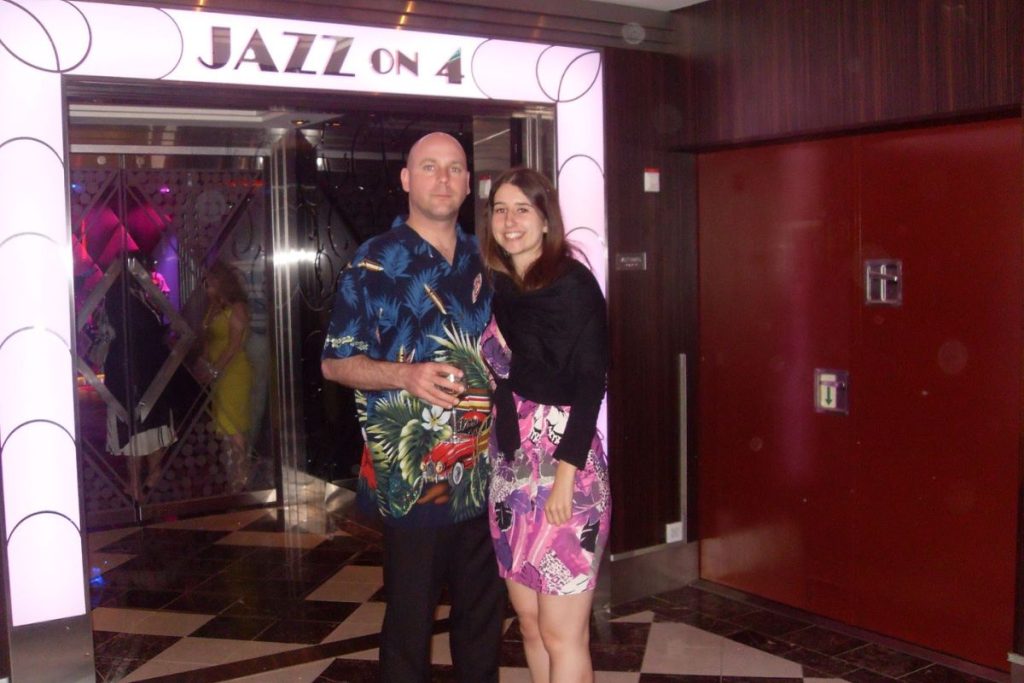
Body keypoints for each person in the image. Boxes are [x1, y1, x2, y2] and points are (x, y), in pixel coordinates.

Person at [321, 132, 505, 682]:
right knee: (409, 625)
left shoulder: (486, 256)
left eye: (454, 168)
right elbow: (335, 363)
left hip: (486, 473)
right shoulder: (375, 261)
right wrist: (407, 376)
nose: (443, 179)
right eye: (430, 167)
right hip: (413, 480)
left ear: (469, 183)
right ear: (406, 180)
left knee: (482, 622)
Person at [478, 167, 611, 683]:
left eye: (522, 209)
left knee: (562, 634)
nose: (509, 222)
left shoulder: (573, 286)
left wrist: (564, 476)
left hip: (565, 471)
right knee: (531, 627)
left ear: (544, 217)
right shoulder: (499, 288)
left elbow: (590, 384)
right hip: (511, 471)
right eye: (500, 210)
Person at [104, 253, 178, 499]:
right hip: (133, 373)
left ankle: (146, 482)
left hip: (145, 372)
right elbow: (138, 331)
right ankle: (138, 486)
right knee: (135, 430)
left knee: (149, 429)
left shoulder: (136, 294)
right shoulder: (120, 296)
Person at [198, 260, 252, 490]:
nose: (206, 286)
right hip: (219, 372)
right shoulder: (214, 307)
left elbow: (234, 345)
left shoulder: (236, 307)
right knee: (224, 423)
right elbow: (207, 339)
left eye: (210, 282)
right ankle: (233, 473)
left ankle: (241, 476)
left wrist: (214, 369)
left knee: (233, 424)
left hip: (233, 371)